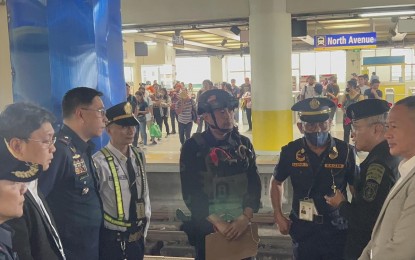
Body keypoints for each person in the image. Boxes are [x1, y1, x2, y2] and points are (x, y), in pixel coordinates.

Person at [270, 97, 358, 260]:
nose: (317, 129)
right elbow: (276, 182)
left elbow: (355, 187)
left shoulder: (345, 151)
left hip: (337, 228)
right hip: (304, 227)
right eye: (310, 125)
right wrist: (278, 214)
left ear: (330, 123)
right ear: (300, 127)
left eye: (322, 123)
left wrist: (358, 219)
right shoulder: (290, 151)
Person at [179, 89, 261, 260]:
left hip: (241, 227)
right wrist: (218, 223)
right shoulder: (193, 148)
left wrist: (245, 217)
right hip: (209, 229)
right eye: (221, 111)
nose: (228, 115)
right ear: (206, 116)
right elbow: (191, 192)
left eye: (230, 110)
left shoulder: (243, 145)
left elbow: (254, 183)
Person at [325, 99, 400, 260]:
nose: (352, 134)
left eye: (357, 128)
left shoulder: (378, 166)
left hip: (366, 248)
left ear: (377, 129)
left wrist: (341, 204)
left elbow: (366, 220)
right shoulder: (390, 155)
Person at [38, 87, 107, 260]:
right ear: (81, 114)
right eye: (100, 112)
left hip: (89, 246)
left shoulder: (83, 149)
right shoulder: (59, 151)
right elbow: (37, 202)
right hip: (70, 251)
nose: (105, 119)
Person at [1, 103, 66, 260]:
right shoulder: (10, 199)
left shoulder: (32, 182)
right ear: (17, 145)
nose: (53, 149)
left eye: (53, 140)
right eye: (46, 141)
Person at [359, 96, 415, 260]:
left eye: (394, 127)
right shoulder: (406, 170)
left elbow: (401, 252)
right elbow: (377, 240)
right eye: (387, 126)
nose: (388, 134)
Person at [93, 102, 150, 260]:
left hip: (137, 239)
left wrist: (144, 230)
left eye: (133, 125)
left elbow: (145, 196)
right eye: (124, 126)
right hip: (112, 241)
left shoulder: (138, 156)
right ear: (109, 129)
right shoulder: (99, 163)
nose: (131, 130)